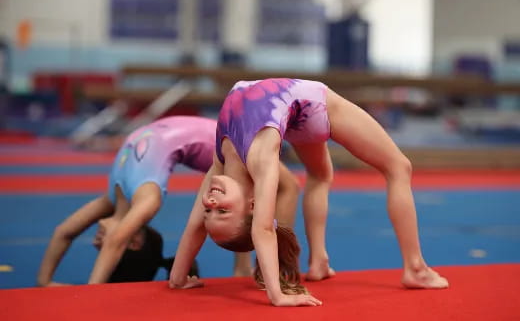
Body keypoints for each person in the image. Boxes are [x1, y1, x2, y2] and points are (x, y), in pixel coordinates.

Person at [168, 79, 449, 307]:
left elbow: (195, 226)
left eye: (211, 210)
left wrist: (178, 279)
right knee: (399, 167)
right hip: (313, 106)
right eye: (223, 210)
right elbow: (263, 229)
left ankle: (318, 263)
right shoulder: (261, 158)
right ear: (251, 204)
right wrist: (276, 295)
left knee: (320, 175)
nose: (212, 202)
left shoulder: (220, 164)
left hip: (293, 117)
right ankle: (416, 268)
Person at [37, 115, 299, 286]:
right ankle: (265, 268)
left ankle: (262, 267)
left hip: (222, 137)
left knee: (281, 188)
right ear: (135, 240)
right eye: (100, 246)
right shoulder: (147, 198)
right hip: (227, 141)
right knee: (282, 187)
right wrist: (92, 291)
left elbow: (64, 232)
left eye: (99, 246)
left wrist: (45, 282)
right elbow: (115, 241)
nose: (97, 242)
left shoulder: (114, 199)